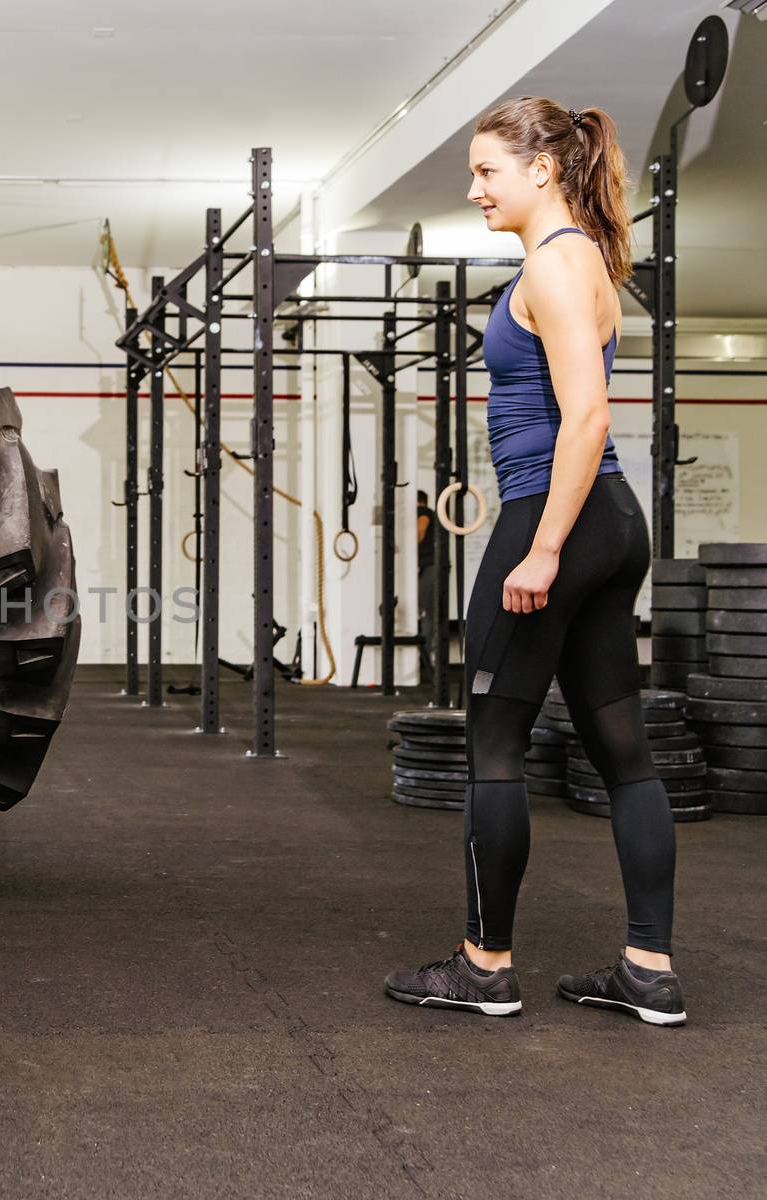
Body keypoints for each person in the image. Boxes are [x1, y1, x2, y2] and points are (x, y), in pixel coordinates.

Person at [384, 99, 684, 1026]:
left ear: (542, 169)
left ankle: (485, 966)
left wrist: (543, 547)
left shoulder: (556, 265)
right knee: (623, 753)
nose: (474, 189)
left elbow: (586, 417)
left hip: (560, 517)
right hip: (613, 521)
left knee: (493, 746)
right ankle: (648, 969)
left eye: (487, 172)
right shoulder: (581, 259)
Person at [416, 489, 436, 681]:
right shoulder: (429, 513)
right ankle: (425, 654)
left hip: (431, 567)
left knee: (427, 611)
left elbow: (420, 531)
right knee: (427, 611)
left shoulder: (423, 513)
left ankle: (425, 657)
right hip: (428, 567)